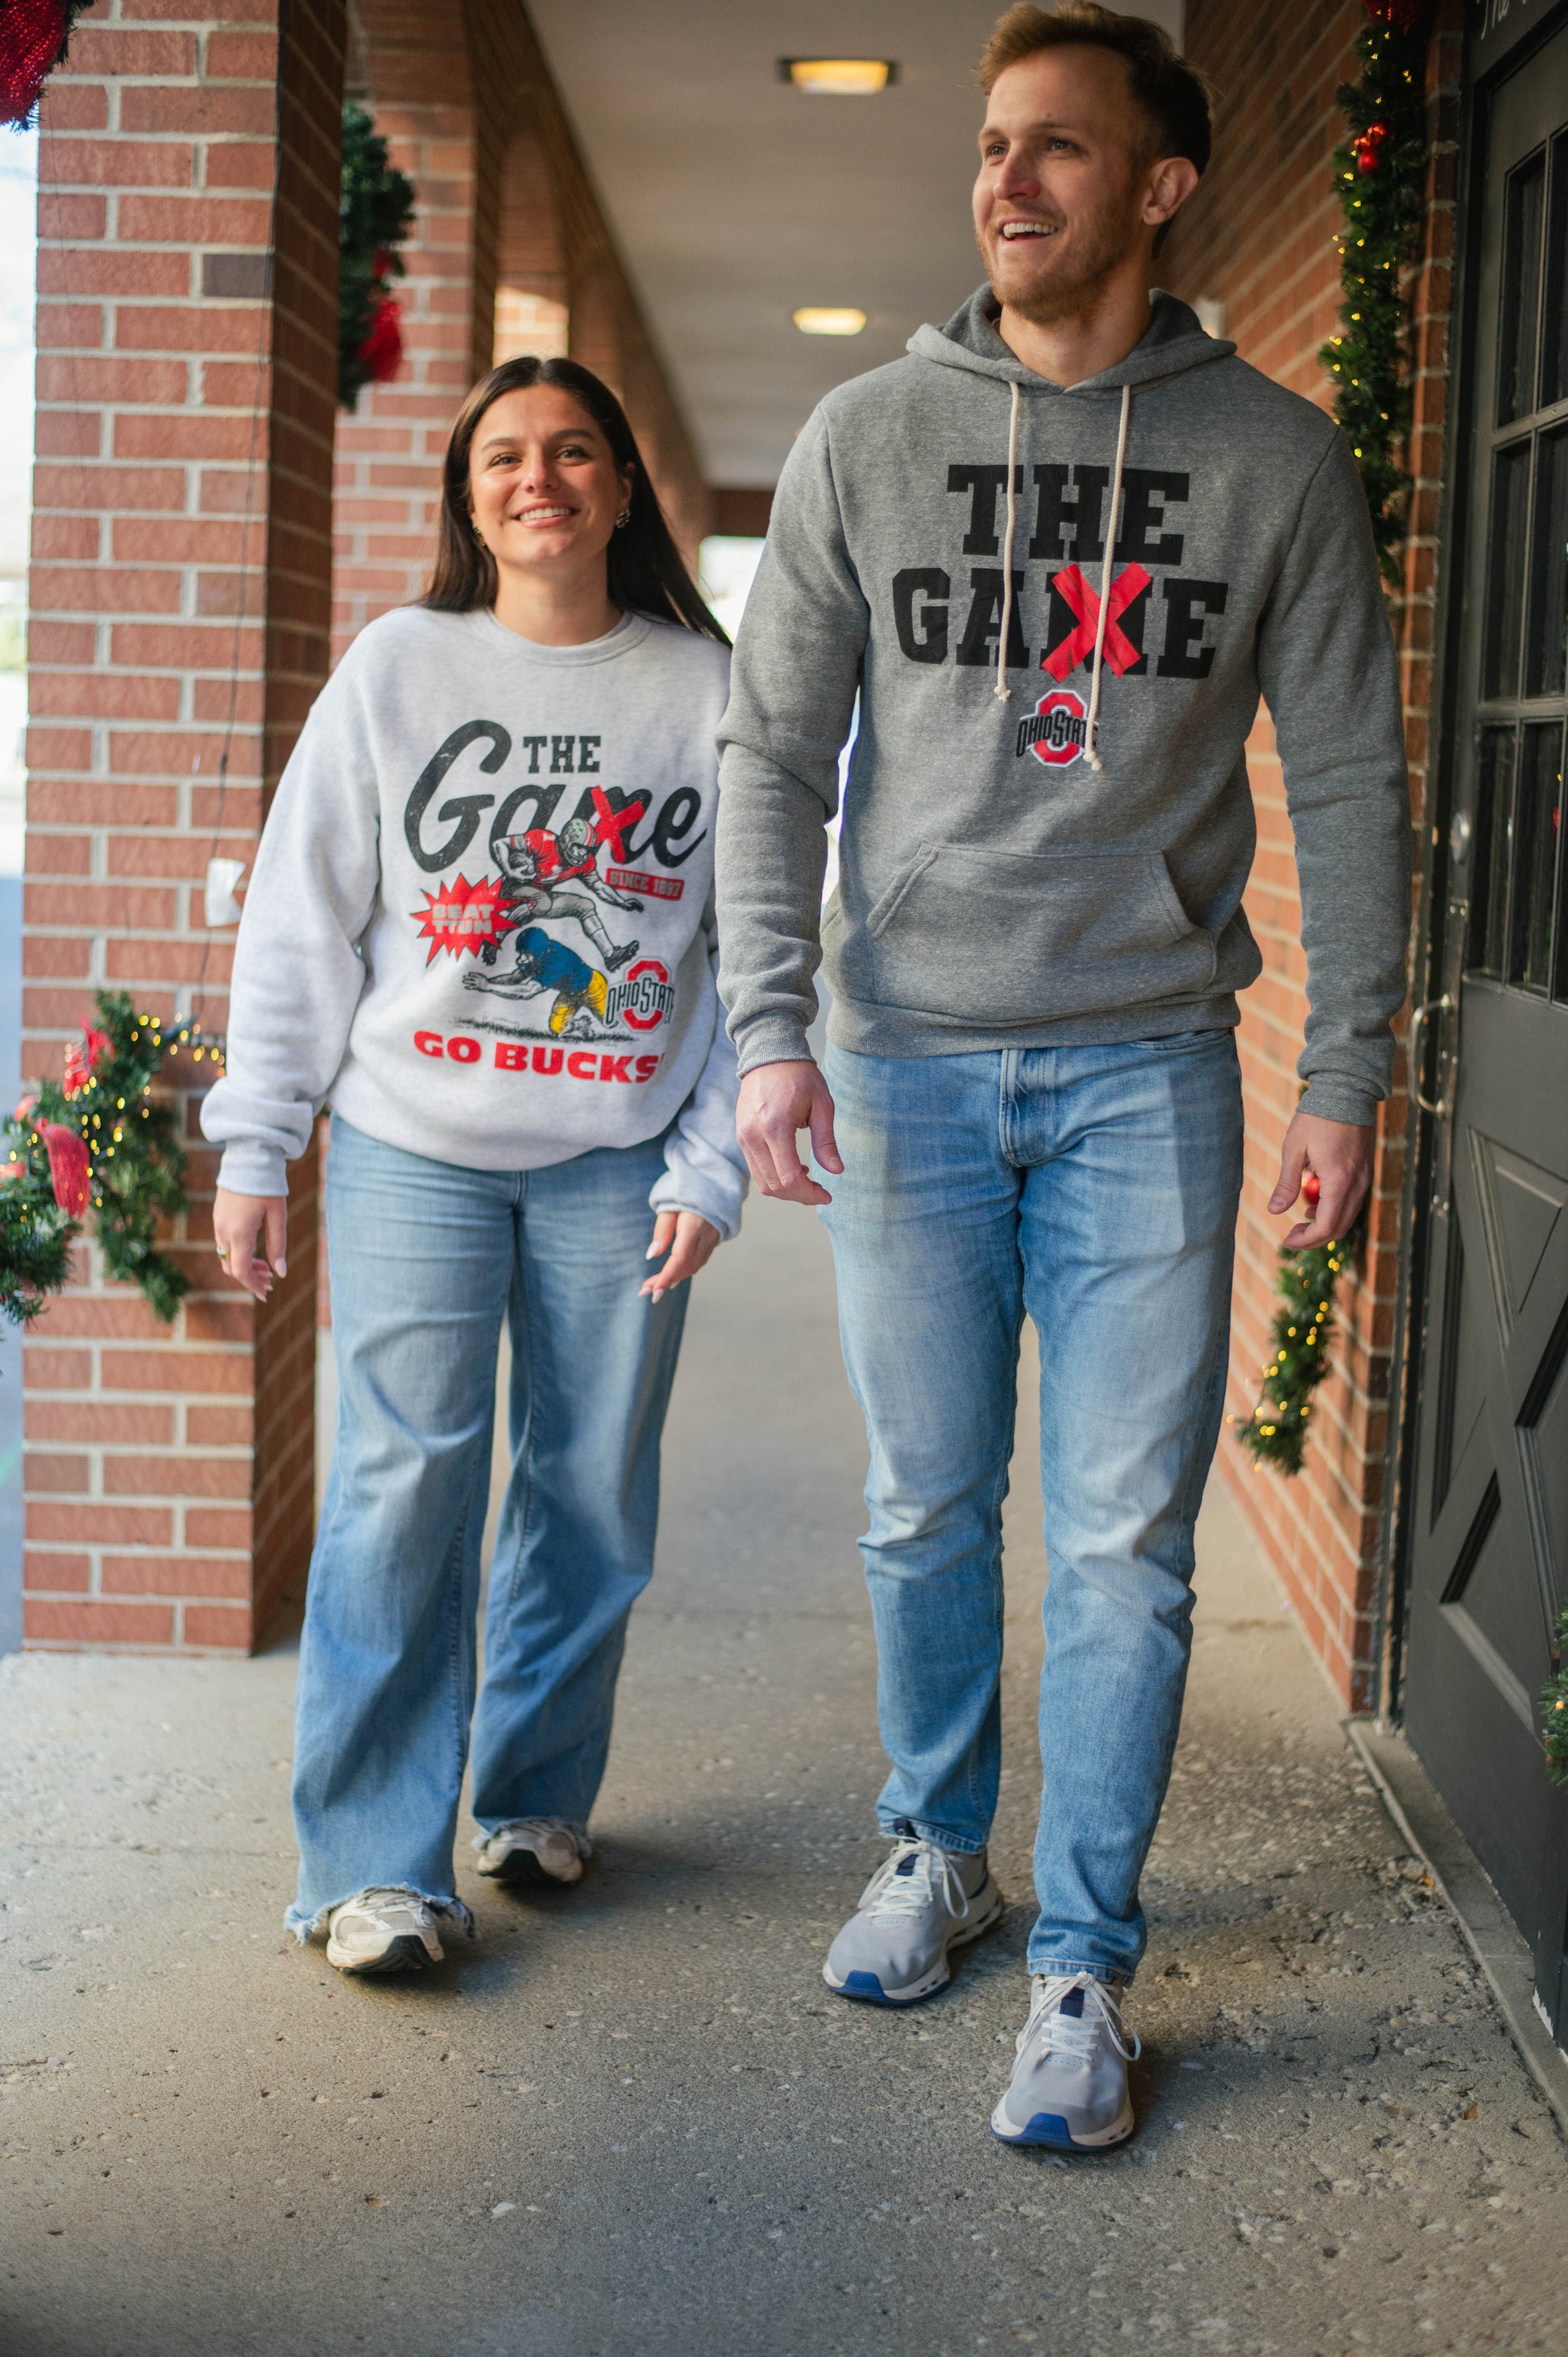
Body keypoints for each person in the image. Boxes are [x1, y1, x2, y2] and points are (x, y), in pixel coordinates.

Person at [715, 1, 1408, 2152]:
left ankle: (1086, 1961)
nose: (1002, 183)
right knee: (924, 1503)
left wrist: (1346, 1068)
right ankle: (939, 1841)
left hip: (1148, 1067)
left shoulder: (1273, 457)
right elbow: (773, 746)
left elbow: (1361, 774)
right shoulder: (862, 436)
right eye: (991, 148)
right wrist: (763, 1024)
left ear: (1160, 186)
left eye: (1054, 151)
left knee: (1120, 1537)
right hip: (908, 1056)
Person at [205, 354, 745, 1977]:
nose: (539, 477)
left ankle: (529, 1792)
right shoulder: (399, 667)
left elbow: (764, 947)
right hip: (409, 1148)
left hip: (617, 1156)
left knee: (586, 1489)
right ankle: (371, 1863)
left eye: (573, 449)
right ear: (464, 492)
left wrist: (709, 1159)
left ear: (624, 485)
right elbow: (304, 915)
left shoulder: (705, 687)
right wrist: (258, 1135)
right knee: (396, 1488)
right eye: (503, 454)